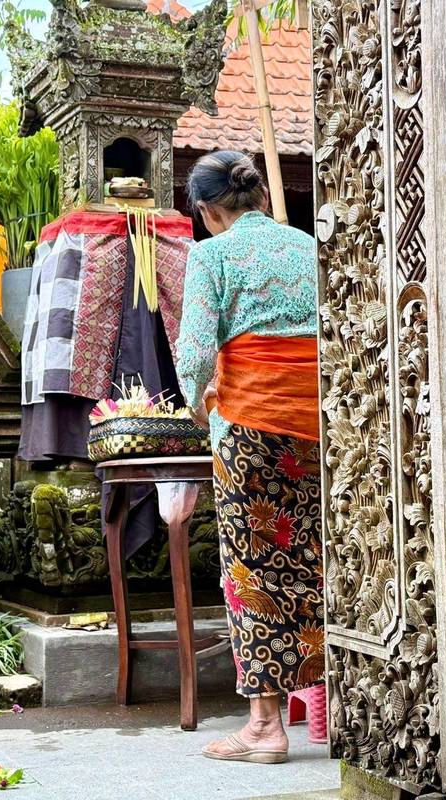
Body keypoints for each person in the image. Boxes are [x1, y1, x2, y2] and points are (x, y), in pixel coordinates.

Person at [176, 150, 323, 764]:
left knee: (253, 568)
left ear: (209, 211)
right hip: (318, 424)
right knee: (317, 559)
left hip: (253, 425)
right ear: (260, 196)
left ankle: (264, 726)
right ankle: (329, 703)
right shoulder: (307, 246)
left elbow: (193, 356)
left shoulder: (211, 255)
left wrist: (197, 407)